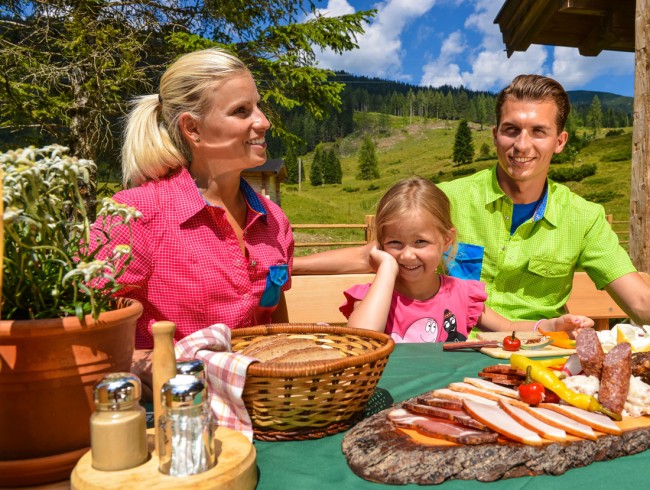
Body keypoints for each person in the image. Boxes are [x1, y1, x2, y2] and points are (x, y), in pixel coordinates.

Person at [294, 74, 650, 326]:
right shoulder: (449, 199)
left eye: (538, 132)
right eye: (511, 130)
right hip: (452, 352)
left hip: (538, 352)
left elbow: (639, 301)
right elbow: (375, 254)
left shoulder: (584, 217)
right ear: (496, 135)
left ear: (560, 141)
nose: (521, 145)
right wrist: (283, 266)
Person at [92, 48, 293, 394]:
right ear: (193, 128)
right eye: (241, 111)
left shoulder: (273, 220)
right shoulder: (136, 215)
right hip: (171, 411)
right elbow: (90, 329)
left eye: (257, 106)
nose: (263, 121)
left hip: (266, 406)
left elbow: (276, 319)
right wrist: (179, 371)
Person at [340, 177, 594, 342]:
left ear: (446, 241)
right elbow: (361, 339)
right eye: (395, 243)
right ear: (382, 244)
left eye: (421, 242)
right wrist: (385, 267)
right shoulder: (374, 298)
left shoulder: (461, 294)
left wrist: (551, 325)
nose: (407, 254)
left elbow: (507, 326)